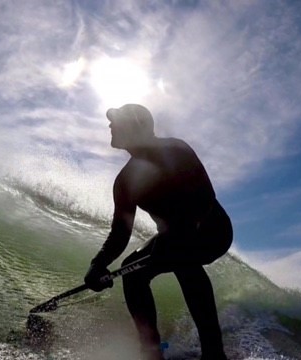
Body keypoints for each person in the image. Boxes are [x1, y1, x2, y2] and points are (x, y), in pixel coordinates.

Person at [84, 104, 233, 360]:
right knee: (133, 272)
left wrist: (179, 232)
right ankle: (152, 352)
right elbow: (121, 232)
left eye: (116, 121)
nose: (110, 125)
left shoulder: (176, 150)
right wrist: (98, 264)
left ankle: (214, 353)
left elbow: (204, 198)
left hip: (213, 230)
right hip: (171, 239)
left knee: (183, 257)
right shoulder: (125, 181)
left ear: (135, 126)